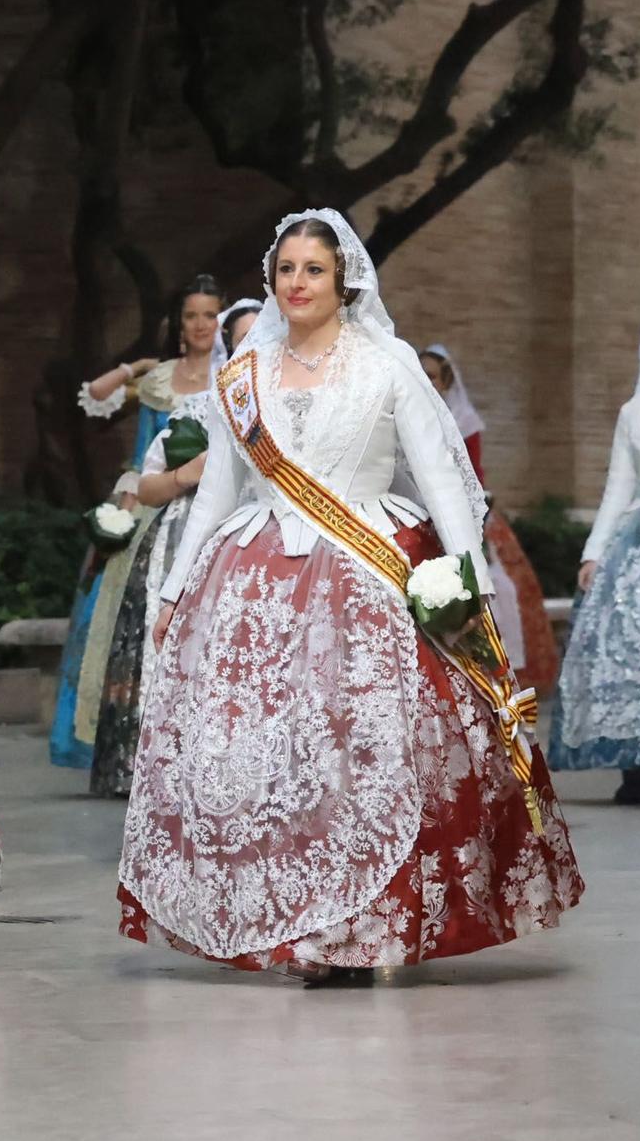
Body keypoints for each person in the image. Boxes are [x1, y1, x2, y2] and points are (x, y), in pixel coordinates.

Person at [120, 210, 580, 982]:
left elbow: (441, 480)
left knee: (360, 753)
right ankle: (286, 919)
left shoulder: (388, 365)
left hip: (370, 577)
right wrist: (173, 588)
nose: (297, 283)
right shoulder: (245, 375)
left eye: (314, 270)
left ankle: (360, 928)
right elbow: (218, 492)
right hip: (258, 580)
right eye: (287, 269)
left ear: (345, 281)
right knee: (268, 762)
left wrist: (466, 580)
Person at [88, 294, 258, 797]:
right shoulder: (199, 410)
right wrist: (190, 472)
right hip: (180, 541)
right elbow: (148, 484)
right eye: (242, 341)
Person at [418, 344, 560, 688]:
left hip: (464, 508)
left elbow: (474, 473)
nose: (427, 382)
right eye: (421, 375)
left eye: (433, 377)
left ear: (447, 382)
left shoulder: (464, 422)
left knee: (499, 587)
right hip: (416, 509)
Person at [549, 328, 640, 802]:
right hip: (635, 549)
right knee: (625, 654)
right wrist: (593, 553)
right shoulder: (633, 413)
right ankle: (635, 770)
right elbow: (618, 488)